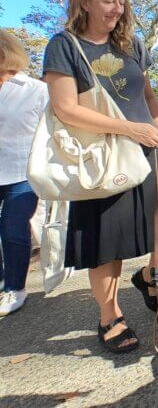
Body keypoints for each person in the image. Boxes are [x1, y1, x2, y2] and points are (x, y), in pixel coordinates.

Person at [43, 0, 158, 353]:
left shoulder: (132, 45)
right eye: (108, 0)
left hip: (148, 148)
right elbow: (65, 109)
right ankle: (109, 315)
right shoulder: (64, 45)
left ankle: (147, 275)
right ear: (85, 1)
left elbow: (148, 97)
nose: (117, 9)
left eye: (121, 1)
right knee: (105, 243)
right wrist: (129, 130)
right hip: (101, 158)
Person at [0, 30, 49, 315]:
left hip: (23, 171)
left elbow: (52, 133)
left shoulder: (35, 89)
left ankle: (15, 288)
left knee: (13, 229)